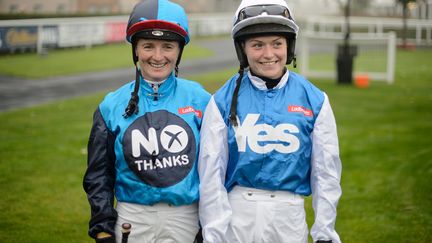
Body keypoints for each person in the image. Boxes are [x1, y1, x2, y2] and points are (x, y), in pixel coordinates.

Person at [198, 0, 342, 242]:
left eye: (277, 44)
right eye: (257, 45)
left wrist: (325, 231)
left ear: (289, 46)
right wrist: (213, 231)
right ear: (242, 49)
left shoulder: (315, 100)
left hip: (289, 219)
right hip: (236, 218)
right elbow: (211, 172)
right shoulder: (221, 100)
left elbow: (326, 174)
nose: (268, 54)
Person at [83, 0, 210, 242]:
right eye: (148, 46)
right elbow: (99, 174)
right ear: (136, 50)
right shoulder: (111, 105)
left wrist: (209, 222)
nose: (157, 56)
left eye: (168, 46)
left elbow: (216, 168)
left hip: (186, 217)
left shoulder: (202, 100)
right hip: (132, 217)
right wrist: (101, 226)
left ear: (179, 51)